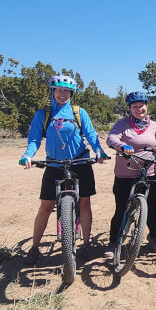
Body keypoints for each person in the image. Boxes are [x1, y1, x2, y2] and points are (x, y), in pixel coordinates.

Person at [19, 75, 108, 265]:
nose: (62, 94)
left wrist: (99, 151)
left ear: (71, 93)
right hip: (54, 165)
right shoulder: (43, 114)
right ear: (52, 91)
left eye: (66, 91)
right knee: (45, 207)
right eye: (59, 90)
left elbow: (91, 135)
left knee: (85, 204)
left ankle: (85, 245)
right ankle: (34, 248)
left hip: (80, 162)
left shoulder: (78, 112)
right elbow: (34, 139)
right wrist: (28, 155)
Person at [104, 91, 156, 258]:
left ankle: (155, 239)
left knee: (151, 207)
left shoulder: (155, 126)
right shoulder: (122, 124)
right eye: (135, 107)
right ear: (129, 108)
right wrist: (123, 146)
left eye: (141, 106)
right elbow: (111, 138)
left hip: (149, 172)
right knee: (121, 207)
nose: (139, 109)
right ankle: (113, 242)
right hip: (125, 174)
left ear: (147, 106)